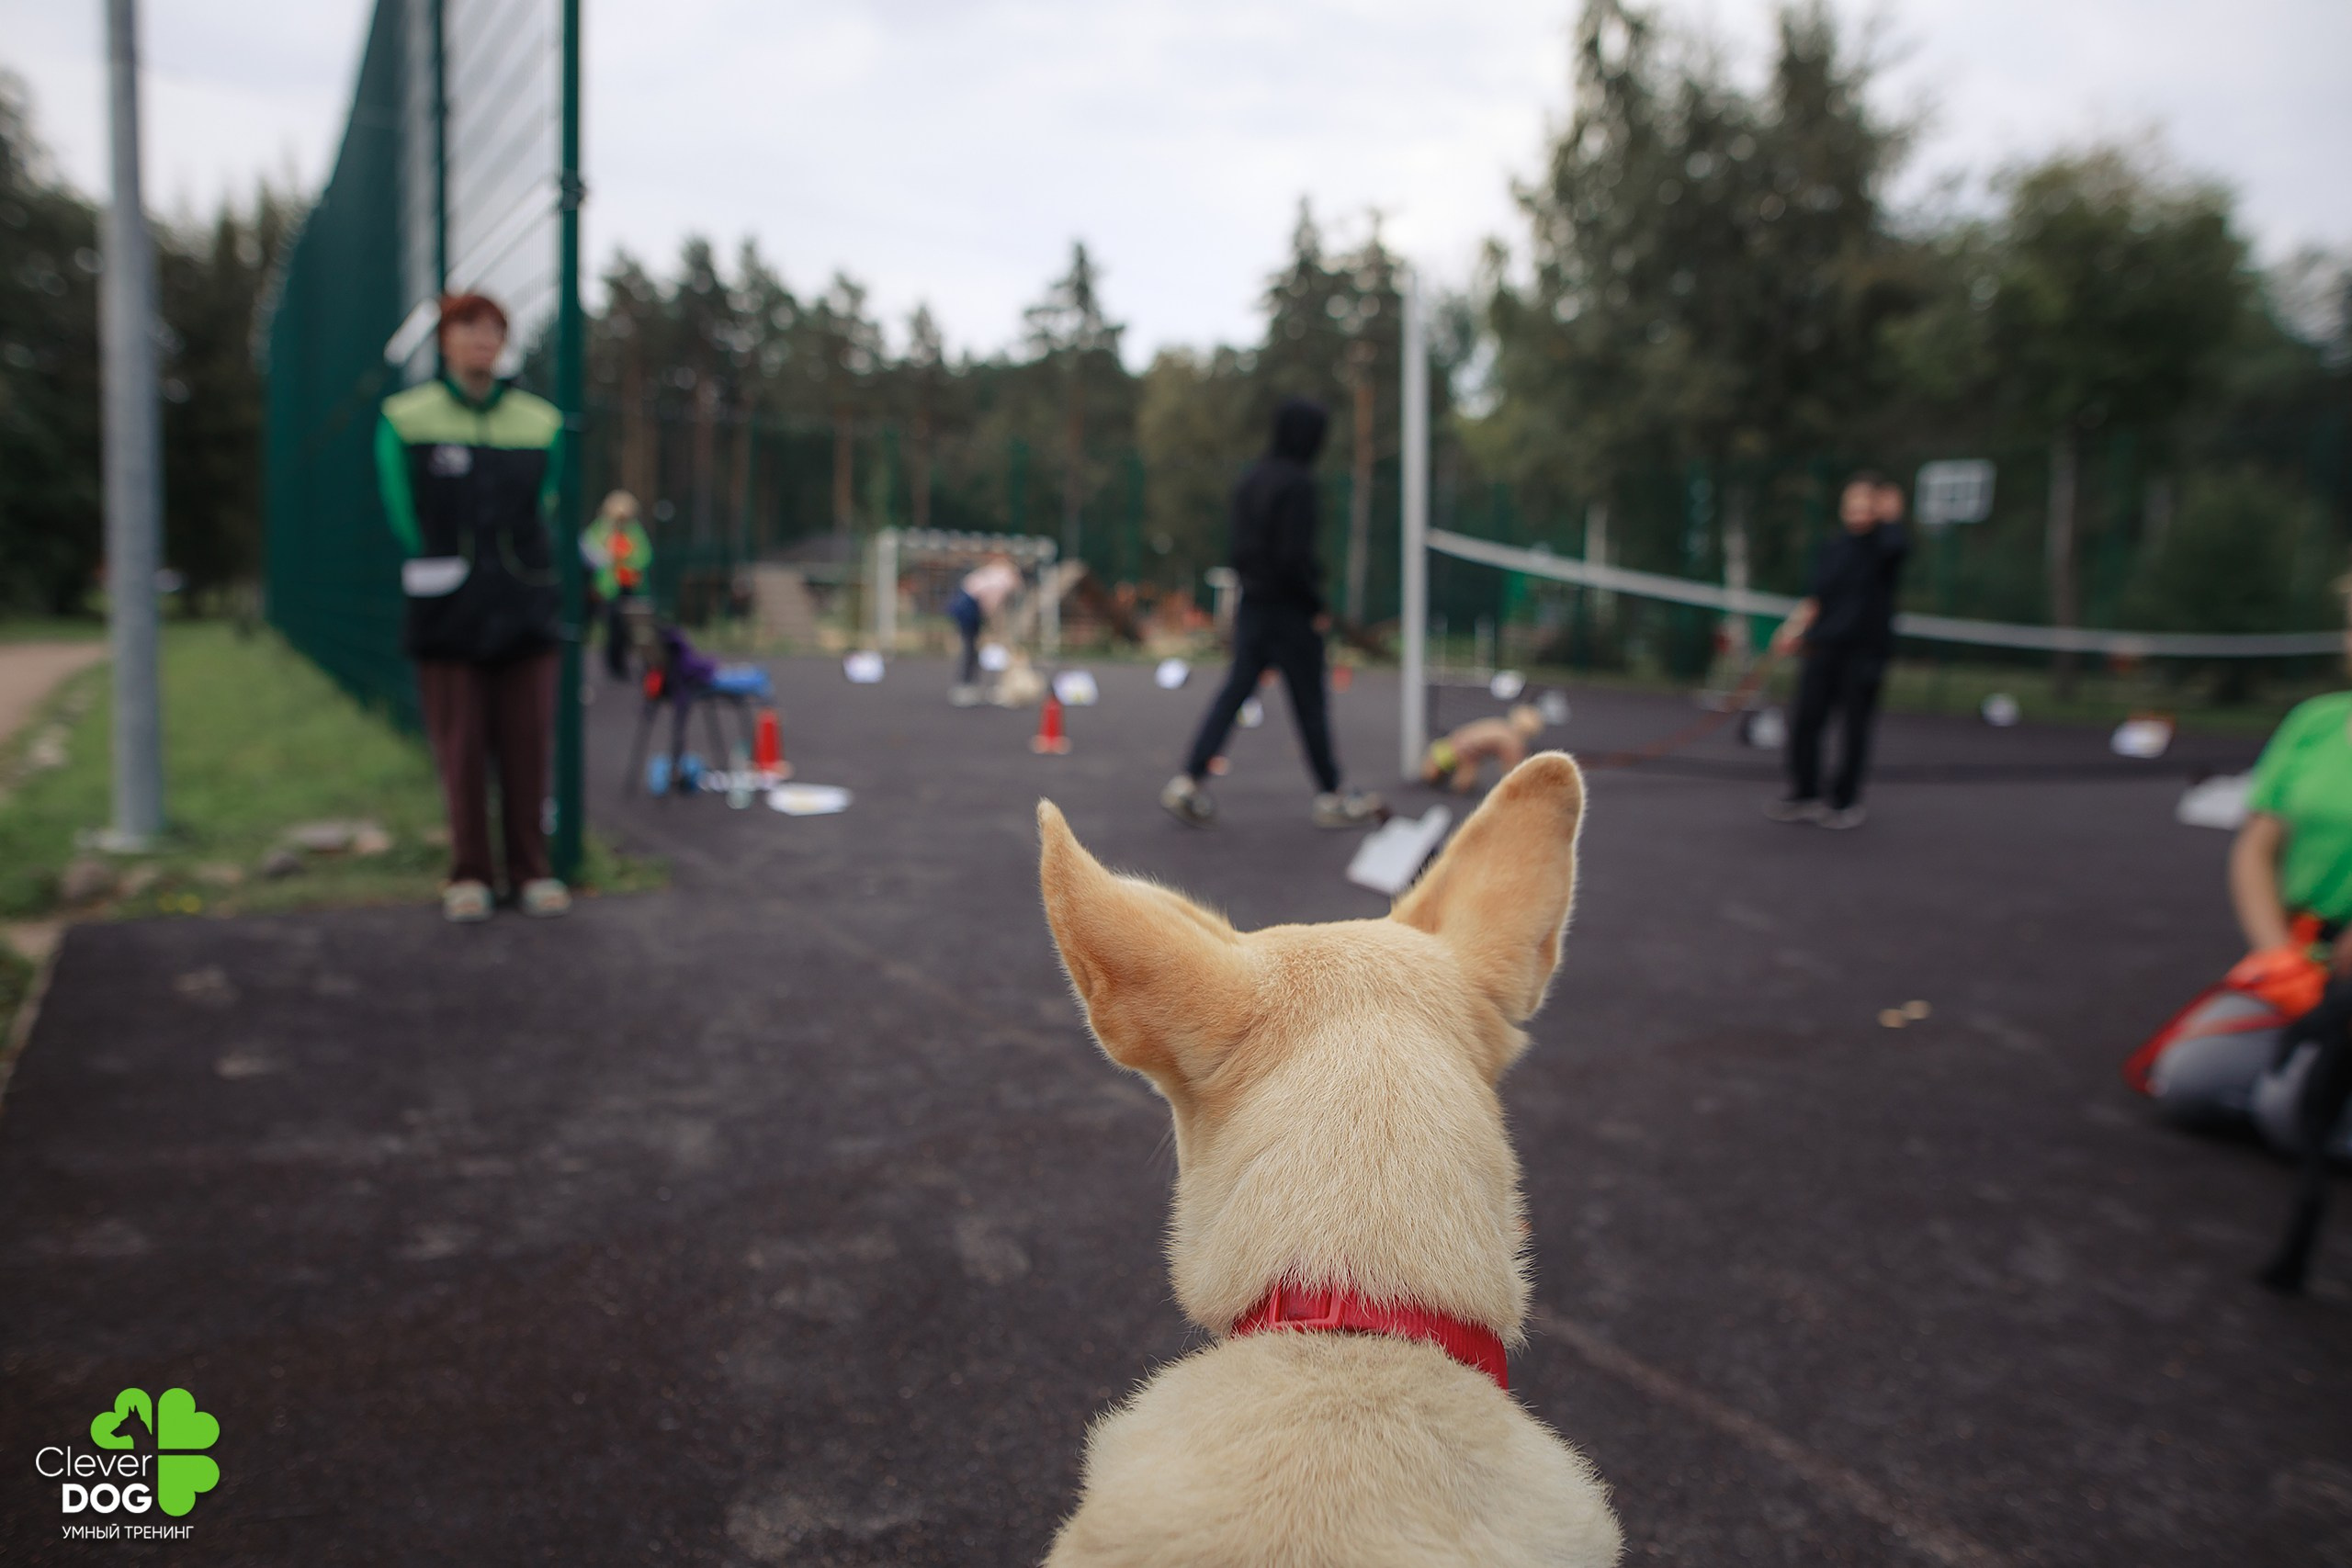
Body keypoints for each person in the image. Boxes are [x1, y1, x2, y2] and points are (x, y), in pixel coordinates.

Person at [374, 293, 570, 923]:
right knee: (460, 747)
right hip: (447, 610)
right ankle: (469, 873)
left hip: (523, 605)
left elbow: (549, 501)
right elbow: (403, 511)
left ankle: (531, 870)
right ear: (444, 341)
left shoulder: (540, 423)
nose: (482, 339)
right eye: (468, 328)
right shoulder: (406, 419)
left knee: (526, 743)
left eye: (493, 329)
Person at [1160, 398, 1382, 829]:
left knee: (1234, 693)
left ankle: (1188, 781)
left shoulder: (1250, 480)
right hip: (1290, 613)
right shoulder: (1299, 484)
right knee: (1310, 705)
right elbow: (1293, 557)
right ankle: (1332, 795)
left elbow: (1242, 550)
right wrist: (1315, 605)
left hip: (1253, 607)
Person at [1766, 472, 1909, 829]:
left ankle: (1844, 801)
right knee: (1806, 720)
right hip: (1823, 647)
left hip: (1864, 652)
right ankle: (1805, 793)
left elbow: (1897, 545)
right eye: (1853, 502)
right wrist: (1793, 629)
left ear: (1878, 506)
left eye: (1867, 502)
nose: (1858, 509)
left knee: (1855, 727)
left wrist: (1892, 514)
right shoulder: (1833, 546)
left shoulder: (1886, 547)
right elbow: (1817, 598)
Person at [582, 490, 652, 681]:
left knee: (631, 630)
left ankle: (627, 665)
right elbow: (590, 552)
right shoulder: (601, 529)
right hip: (609, 589)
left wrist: (627, 559)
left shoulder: (634, 530)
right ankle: (614, 666)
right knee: (612, 628)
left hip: (629, 587)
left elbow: (644, 556)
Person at [947, 553, 1023, 706]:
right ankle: (966, 686)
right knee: (970, 647)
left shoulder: (993, 573)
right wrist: (995, 626)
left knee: (972, 647)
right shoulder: (1003, 581)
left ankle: (969, 684)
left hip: (966, 603)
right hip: (968, 606)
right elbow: (990, 605)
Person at [1423, 705, 1545, 794]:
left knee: (1457, 770)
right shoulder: (1512, 741)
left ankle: (1444, 782)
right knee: (1460, 775)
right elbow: (1513, 768)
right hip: (1464, 749)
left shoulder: (1502, 726)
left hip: (1459, 742)